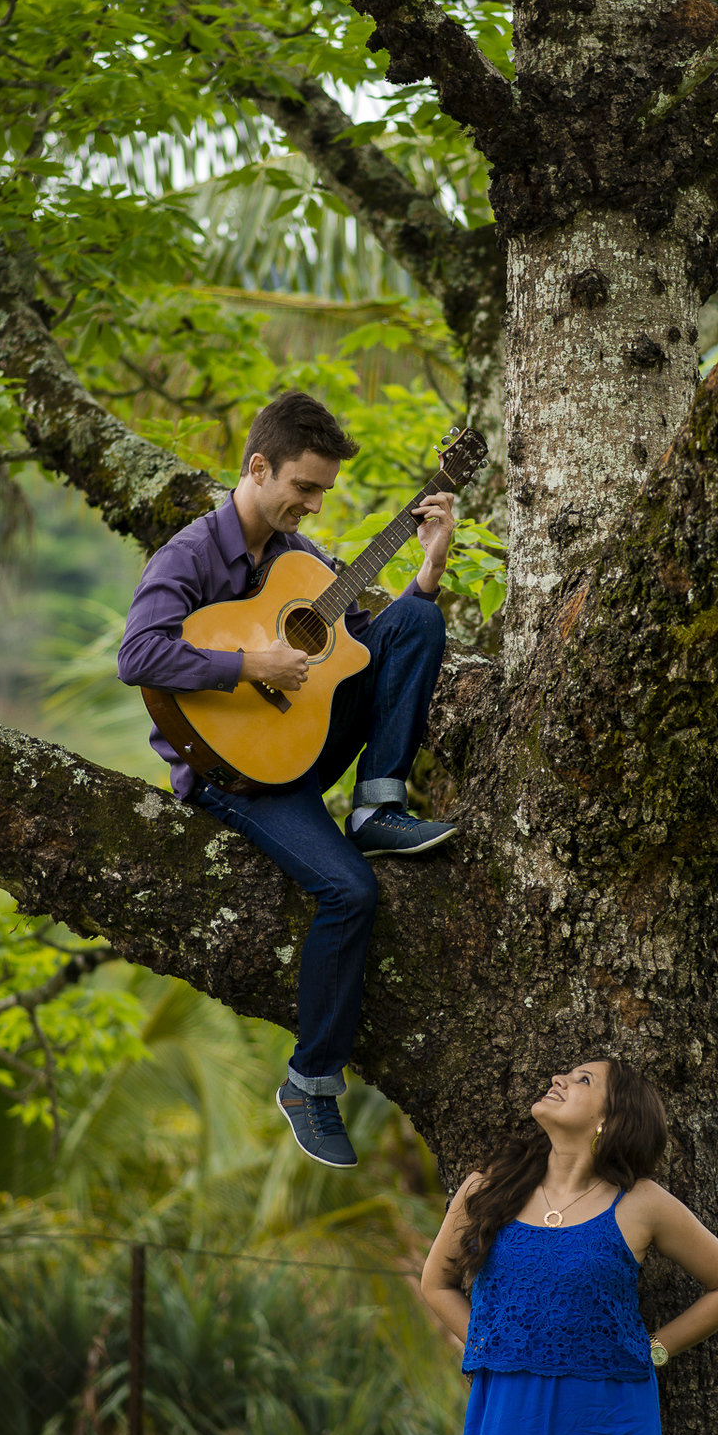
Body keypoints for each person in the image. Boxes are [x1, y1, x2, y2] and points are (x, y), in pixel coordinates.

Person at [118, 389, 460, 1170]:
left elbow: (365, 650)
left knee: (415, 622)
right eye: (303, 488)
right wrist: (248, 662)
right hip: (237, 776)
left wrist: (429, 568)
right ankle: (310, 1080)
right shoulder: (190, 555)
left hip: (306, 742)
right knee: (351, 892)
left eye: (322, 493)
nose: (311, 504)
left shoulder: (303, 562)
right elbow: (138, 655)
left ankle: (378, 805)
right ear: (259, 466)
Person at [421, 1058, 718, 1435]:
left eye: (583, 1080)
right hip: (509, 1427)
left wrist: (655, 1349)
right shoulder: (486, 1189)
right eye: (565, 1074)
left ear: (611, 1120)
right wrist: (493, 1344)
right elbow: (436, 1285)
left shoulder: (642, 1203)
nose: (557, 1079)